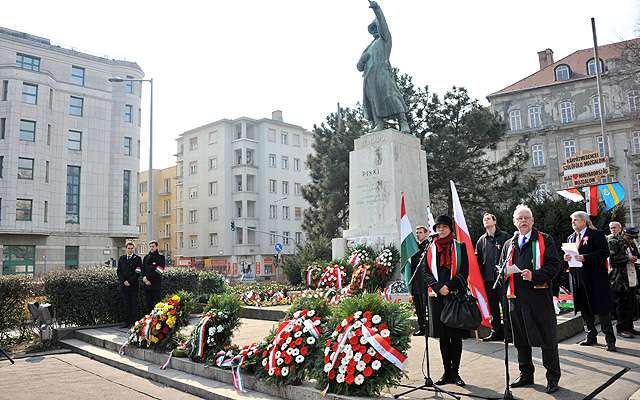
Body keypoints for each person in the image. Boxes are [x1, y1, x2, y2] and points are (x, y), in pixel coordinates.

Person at [500, 204, 561, 394]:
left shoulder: (545, 240)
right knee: (520, 339)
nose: (523, 221)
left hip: (539, 298)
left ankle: (552, 378)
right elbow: (502, 266)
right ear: (514, 222)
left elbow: (554, 266)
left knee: (547, 339)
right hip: (516, 298)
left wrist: (534, 275)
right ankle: (526, 374)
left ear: (532, 220)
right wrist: (501, 274)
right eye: (520, 218)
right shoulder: (509, 243)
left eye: (527, 218)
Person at [422, 215, 469, 387]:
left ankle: (455, 372)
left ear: (450, 229)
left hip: (454, 296)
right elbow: (425, 272)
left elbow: (464, 271)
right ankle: (446, 373)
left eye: (444, 227)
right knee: (443, 337)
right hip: (437, 297)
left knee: (455, 337)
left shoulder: (459, 247)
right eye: (438, 227)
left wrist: (448, 286)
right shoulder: (430, 247)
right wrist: (437, 287)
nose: (440, 230)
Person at [563, 211, 616, 351]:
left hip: (595, 278)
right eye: (572, 220)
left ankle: (609, 338)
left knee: (602, 309)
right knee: (584, 309)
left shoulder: (596, 234)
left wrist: (585, 257)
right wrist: (567, 258)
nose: (573, 222)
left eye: (576, 220)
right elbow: (572, 255)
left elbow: (604, 252)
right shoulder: (570, 237)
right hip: (577, 279)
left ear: (584, 221)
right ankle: (590, 335)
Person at [357, 1, 410, 133]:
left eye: (376, 27)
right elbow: (358, 67)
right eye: (372, 29)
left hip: (383, 73)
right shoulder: (368, 47)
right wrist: (361, 61)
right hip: (369, 78)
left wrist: (377, 10)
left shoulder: (384, 41)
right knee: (373, 101)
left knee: (390, 95)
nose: (375, 30)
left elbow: (383, 27)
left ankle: (403, 122)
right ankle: (378, 123)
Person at [475, 213, 511, 341]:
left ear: (495, 222)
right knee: (493, 307)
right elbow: (478, 258)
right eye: (484, 219)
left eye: (488, 218)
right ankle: (495, 331)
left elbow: (510, 255)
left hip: (502, 278)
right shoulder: (481, 240)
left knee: (506, 306)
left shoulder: (505, 237)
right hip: (488, 279)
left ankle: (509, 333)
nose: (486, 220)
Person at [608, 227, 640, 338]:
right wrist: (627, 258)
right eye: (629, 238)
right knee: (622, 305)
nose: (630, 240)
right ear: (623, 234)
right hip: (620, 279)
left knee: (631, 304)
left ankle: (629, 327)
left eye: (632, 239)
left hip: (631, 276)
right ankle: (621, 329)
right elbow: (612, 259)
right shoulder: (614, 242)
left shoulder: (631, 243)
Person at [117, 242, 141, 328]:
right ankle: (127, 321)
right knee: (126, 304)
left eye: (132, 248)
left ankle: (132, 321)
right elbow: (119, 271)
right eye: (129, 248)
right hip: (124, 285)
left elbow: (137, 272)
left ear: (134, 249)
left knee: (133, 303)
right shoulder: (122, 258)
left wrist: (129, 281)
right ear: (126, 249)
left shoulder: (137, 259)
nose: (130, 250)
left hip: (133, 285)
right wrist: (124, 281)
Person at [410, 225, 429, 336]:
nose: (418, 235)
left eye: (420, 232)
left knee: (427, 306)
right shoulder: (414, 247)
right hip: (416, 280)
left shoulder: (428, 245)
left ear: (426, 234)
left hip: (425, 280)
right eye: (417, 233)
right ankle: (422, 327)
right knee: (418, 306)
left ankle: (429, 327)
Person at [142, 240, 165, 314]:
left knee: (158, 304)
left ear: (157, 247)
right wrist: (144, 279)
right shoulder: (146, 257)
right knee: (149, 304)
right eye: (150, 246)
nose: (151, 248)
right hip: (147, 284)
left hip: (155, 284)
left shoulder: (160, 257)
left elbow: (159, 271)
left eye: (153, 246)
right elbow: (143, 269)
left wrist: (147, 278)